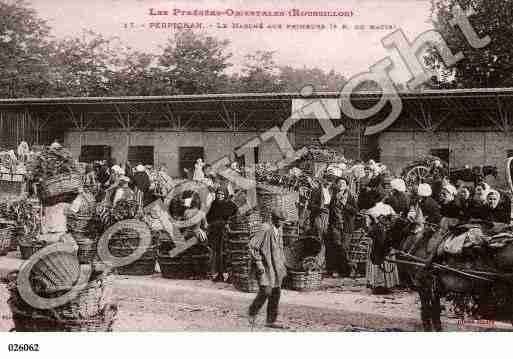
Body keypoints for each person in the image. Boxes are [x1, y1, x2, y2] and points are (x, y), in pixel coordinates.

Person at [248, 209, 288, 329]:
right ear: (273, 218)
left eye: (283, 221)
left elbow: (279, 248)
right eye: (279, 220)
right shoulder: (265, 228)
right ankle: (252, 312)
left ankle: (271, 320)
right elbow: (253, 246)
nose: (281, 223)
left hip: (276, 267)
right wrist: (259, 263)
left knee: (276, 293)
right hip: (265, 266)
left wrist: (283, 265)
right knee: (266, 291)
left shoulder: (279, 229)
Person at [365, 189, 400, 294]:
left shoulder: (370, 211)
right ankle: (389, 283)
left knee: (375, 258)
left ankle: (376, 284)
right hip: (388, 239)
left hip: (376, 240)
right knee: (388, 258)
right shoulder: (389, 208)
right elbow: (395, 221)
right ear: (383, 198)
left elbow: (367, 228)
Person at [326, 177, 358, 277]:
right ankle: (337, 269)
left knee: (344, 248)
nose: (341, 185)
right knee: (336, 246)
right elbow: (331, 211)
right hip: (335, 225)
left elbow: (355, 211)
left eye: (343, 183)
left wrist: (345, 205)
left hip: (346, 226)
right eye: (339, 183)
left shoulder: (350, 196)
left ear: (347, 185)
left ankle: (350, 268)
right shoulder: (333, 196)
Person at [207, 187, 238, 282]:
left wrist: (228, 223)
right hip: (215, 232)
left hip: (225, 232)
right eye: (218, 194)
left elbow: (236, 215)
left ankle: (228, 275)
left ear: (225, 195)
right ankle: (219, 274)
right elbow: (209, 217)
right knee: (216, 253)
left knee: (226, 253)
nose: (220, 196)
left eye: (222, 194)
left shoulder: (230, 205)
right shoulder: (214, 204)